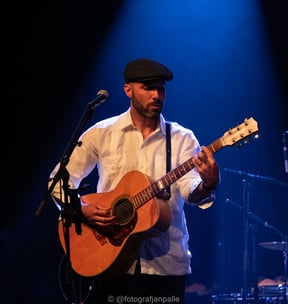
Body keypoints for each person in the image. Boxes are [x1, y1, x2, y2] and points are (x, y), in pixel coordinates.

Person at [49, 58, 220, 304]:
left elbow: (190, 192)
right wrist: (82, 209)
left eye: (160, 88)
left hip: (165, 266)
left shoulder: (182, 138)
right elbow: (57, 182)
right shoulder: (102, 132)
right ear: (128, 90)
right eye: (148, 88)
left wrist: (208, 184)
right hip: (110, 263)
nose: (156, 95)